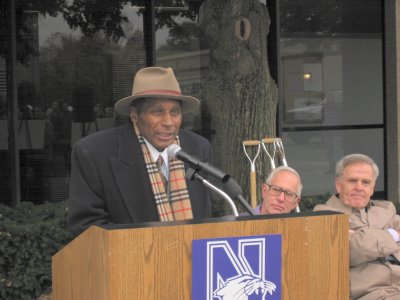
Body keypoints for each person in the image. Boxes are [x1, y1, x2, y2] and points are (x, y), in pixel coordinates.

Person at [67, 67, 213, 236]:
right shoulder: (93, 153)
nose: (168, 122)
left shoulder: (199, 148)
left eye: (175, 112)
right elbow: (86, 230)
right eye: (157, 111)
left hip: (191, 259)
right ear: (135, 116)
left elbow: (205, 220)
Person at [314, 153, 400, 299]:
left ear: (372, 188)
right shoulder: (324, 214)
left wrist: (364, 238)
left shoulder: (385, 209)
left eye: (366, 182)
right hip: (371, 293)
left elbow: (362, 243)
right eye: (353, 181)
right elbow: (352, 249)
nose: (359, 187)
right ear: (338, 184)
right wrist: (394, 235)